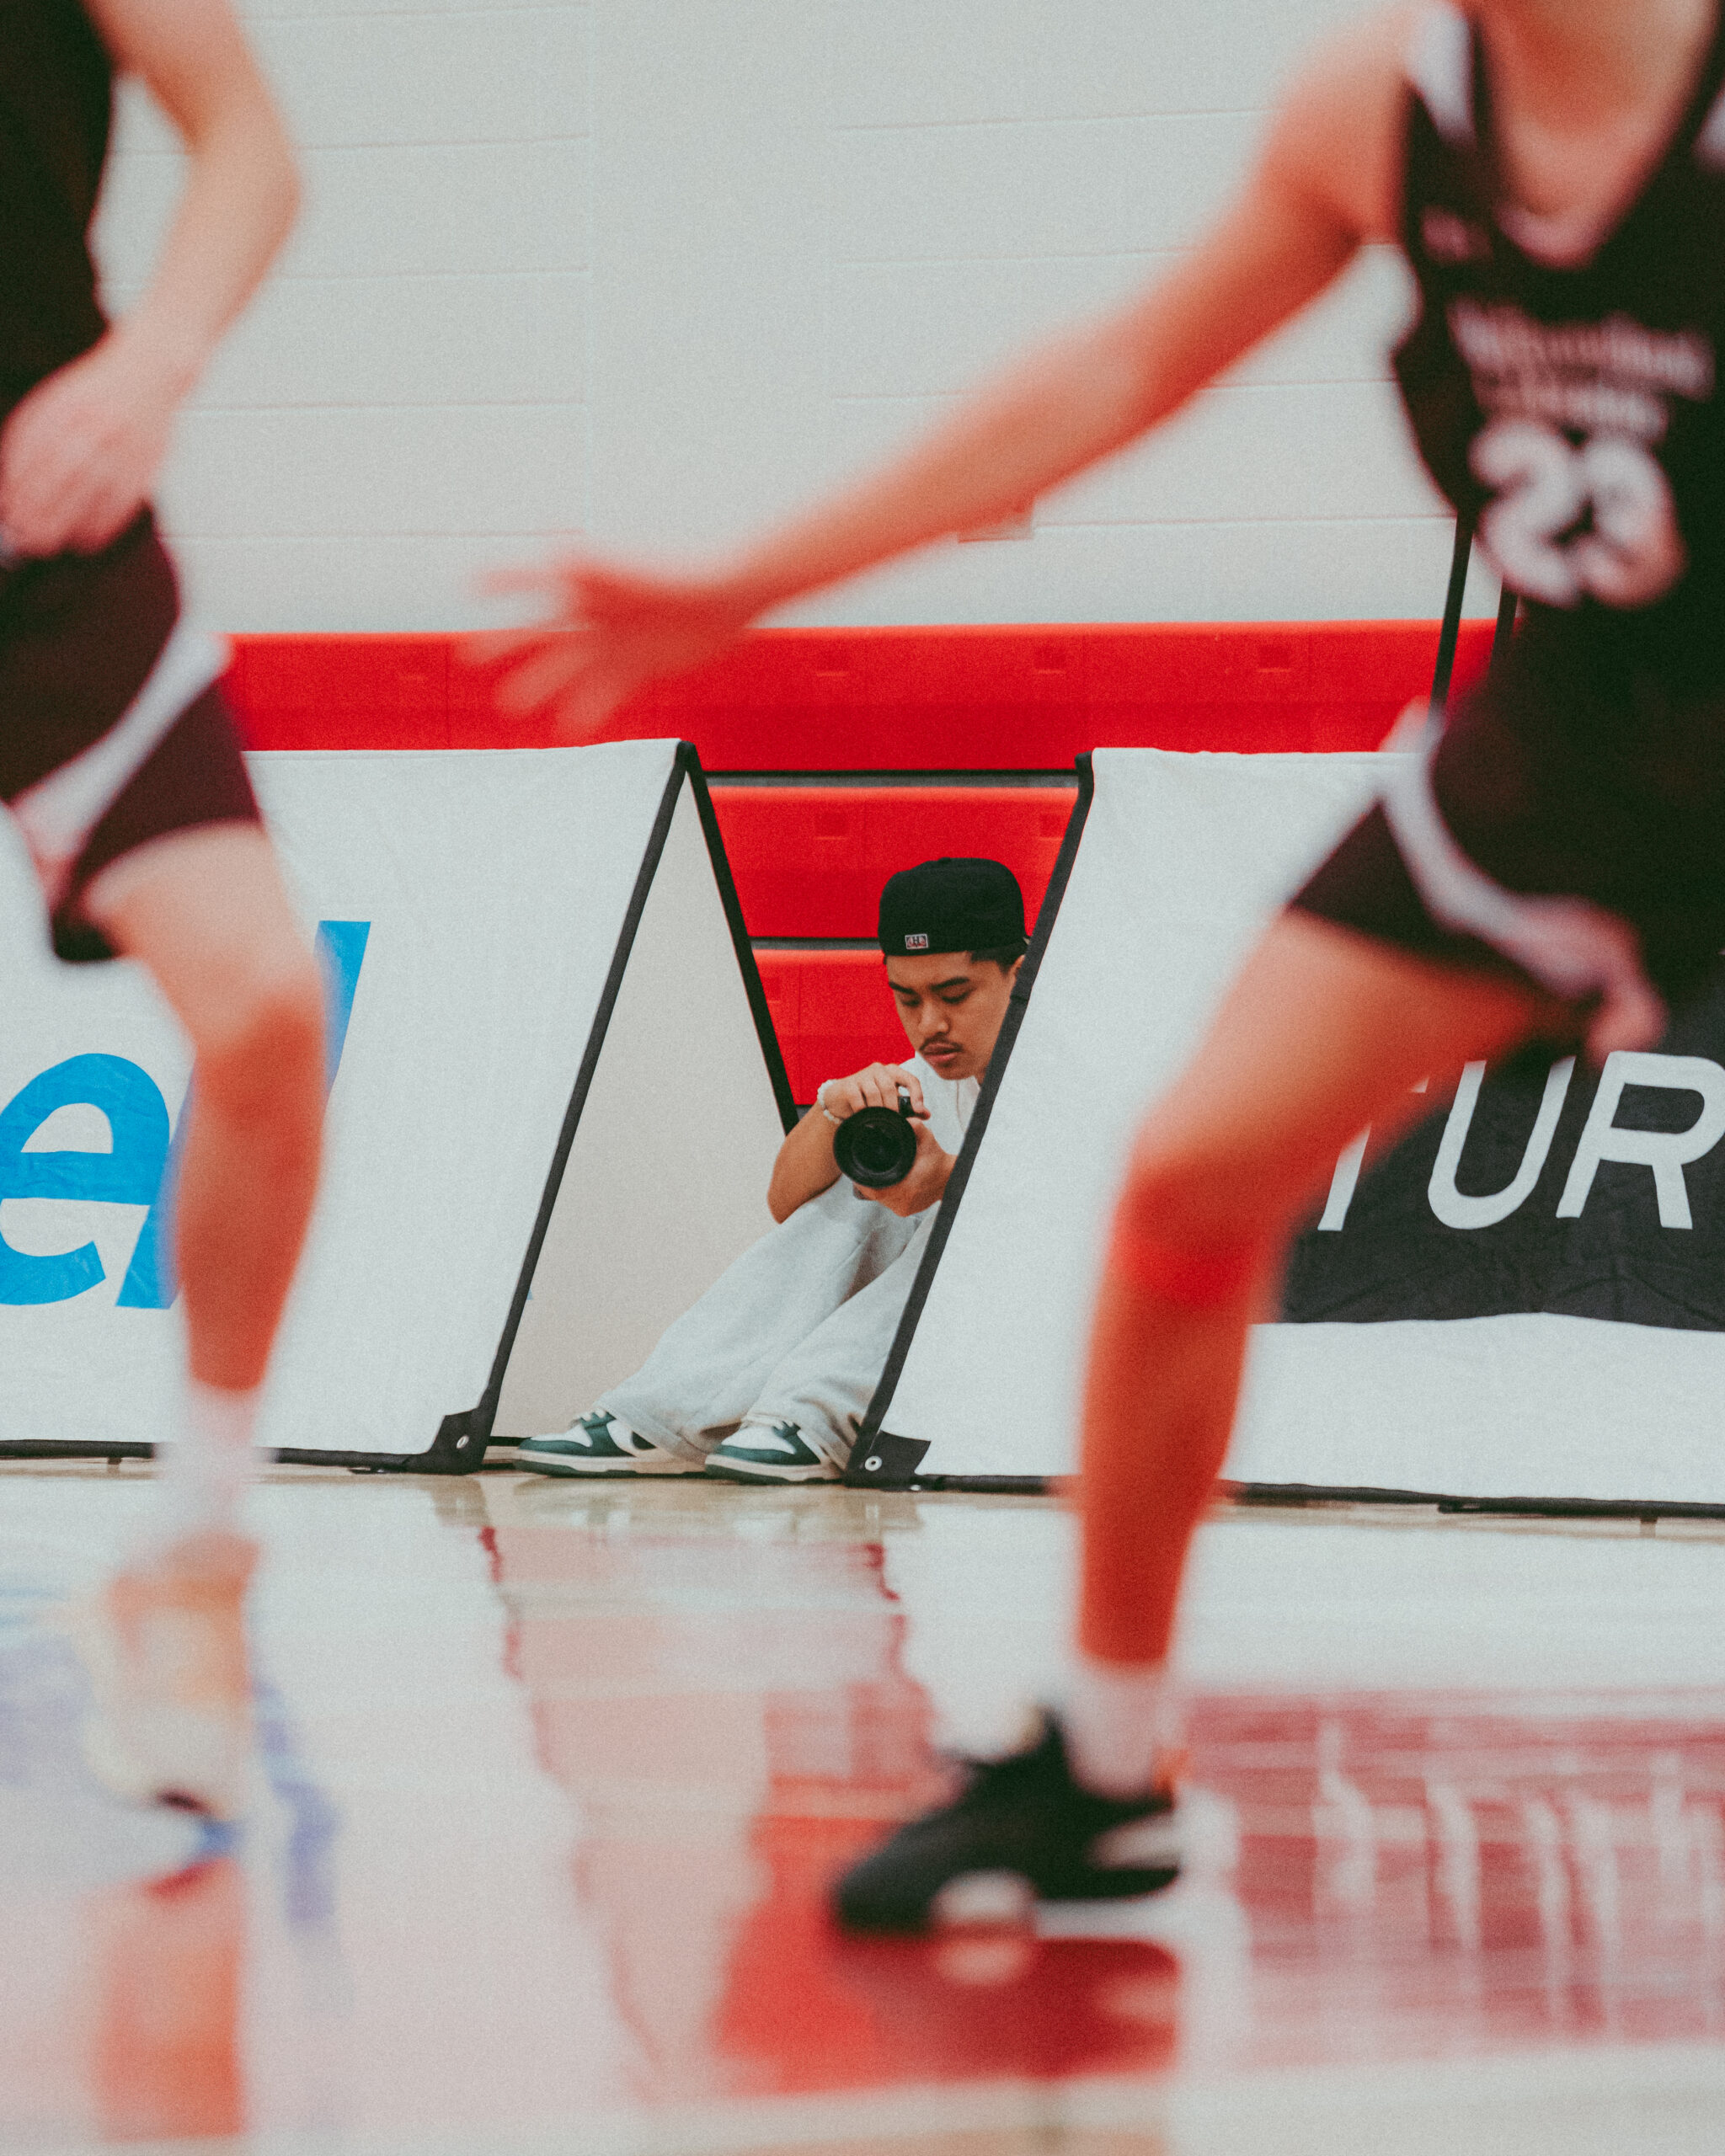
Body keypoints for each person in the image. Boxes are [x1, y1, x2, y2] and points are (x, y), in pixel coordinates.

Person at [483, 0, 1725, 1927]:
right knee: (1185, 1188)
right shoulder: (1379, 114)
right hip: (1551, 756)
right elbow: (1118, 364)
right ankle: (1100, 1753)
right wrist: (746, 581)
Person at [3, 0, 320, 1817]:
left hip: (48, 537)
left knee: (267, 1006)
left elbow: (249, 142)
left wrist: (154, 362)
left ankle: (195, 1552)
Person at [515, 857, 1026, 1483]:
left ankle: (815, 1414)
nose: (929, 1026)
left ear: (1019, 975)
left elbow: (1081, 1221)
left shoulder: (1081, 1068)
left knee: (961, 1218)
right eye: (906, 999)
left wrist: (949, 1181)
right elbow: (786, 1203)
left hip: (1055, 1343)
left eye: (954, 996)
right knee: (854, 1197)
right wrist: (835, 1111)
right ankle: (667, 1413)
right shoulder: (923, 1082)